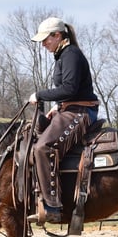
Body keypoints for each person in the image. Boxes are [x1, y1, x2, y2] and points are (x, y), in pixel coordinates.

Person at [27, 16, 99, 225]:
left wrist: (40, 95)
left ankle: (52, 206)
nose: (43, 44)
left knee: (43, 147)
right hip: (69, 109)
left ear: (57, 35)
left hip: (81, 112)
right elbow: (70, 91)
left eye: (46, 39)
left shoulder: (71, 55)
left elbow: (69, 88)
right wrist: (57, 107)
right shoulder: (62, 55)